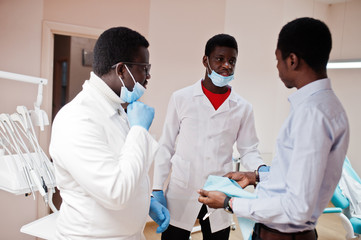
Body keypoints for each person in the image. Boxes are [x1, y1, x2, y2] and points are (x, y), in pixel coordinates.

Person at [198, 17, 350, 240]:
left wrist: (230, 203)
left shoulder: (312, 114)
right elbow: (296, 177)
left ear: (292, 60)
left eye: (277, 59)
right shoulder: (323, 107)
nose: (277, 67)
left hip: (283, 234)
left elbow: (297, 207)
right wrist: (255, 176)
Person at [49, 26, 169, 240]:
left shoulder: (117, 109)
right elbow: (115, 192)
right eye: (144, 68)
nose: (148, 76)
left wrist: (144, 202)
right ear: (122, 70)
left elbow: (127, 167)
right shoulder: (76, 119)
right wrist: (139, 130)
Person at [152, 33, 266, 240]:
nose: (227, 66)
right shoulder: (181, 98)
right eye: (220, 59)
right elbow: (166, 145)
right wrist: (157, 188)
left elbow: (249, 150)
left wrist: (261, 170)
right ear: (206, 60)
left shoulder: (243, 107)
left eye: (232, 61)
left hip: (220, 190)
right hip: (182, 188)